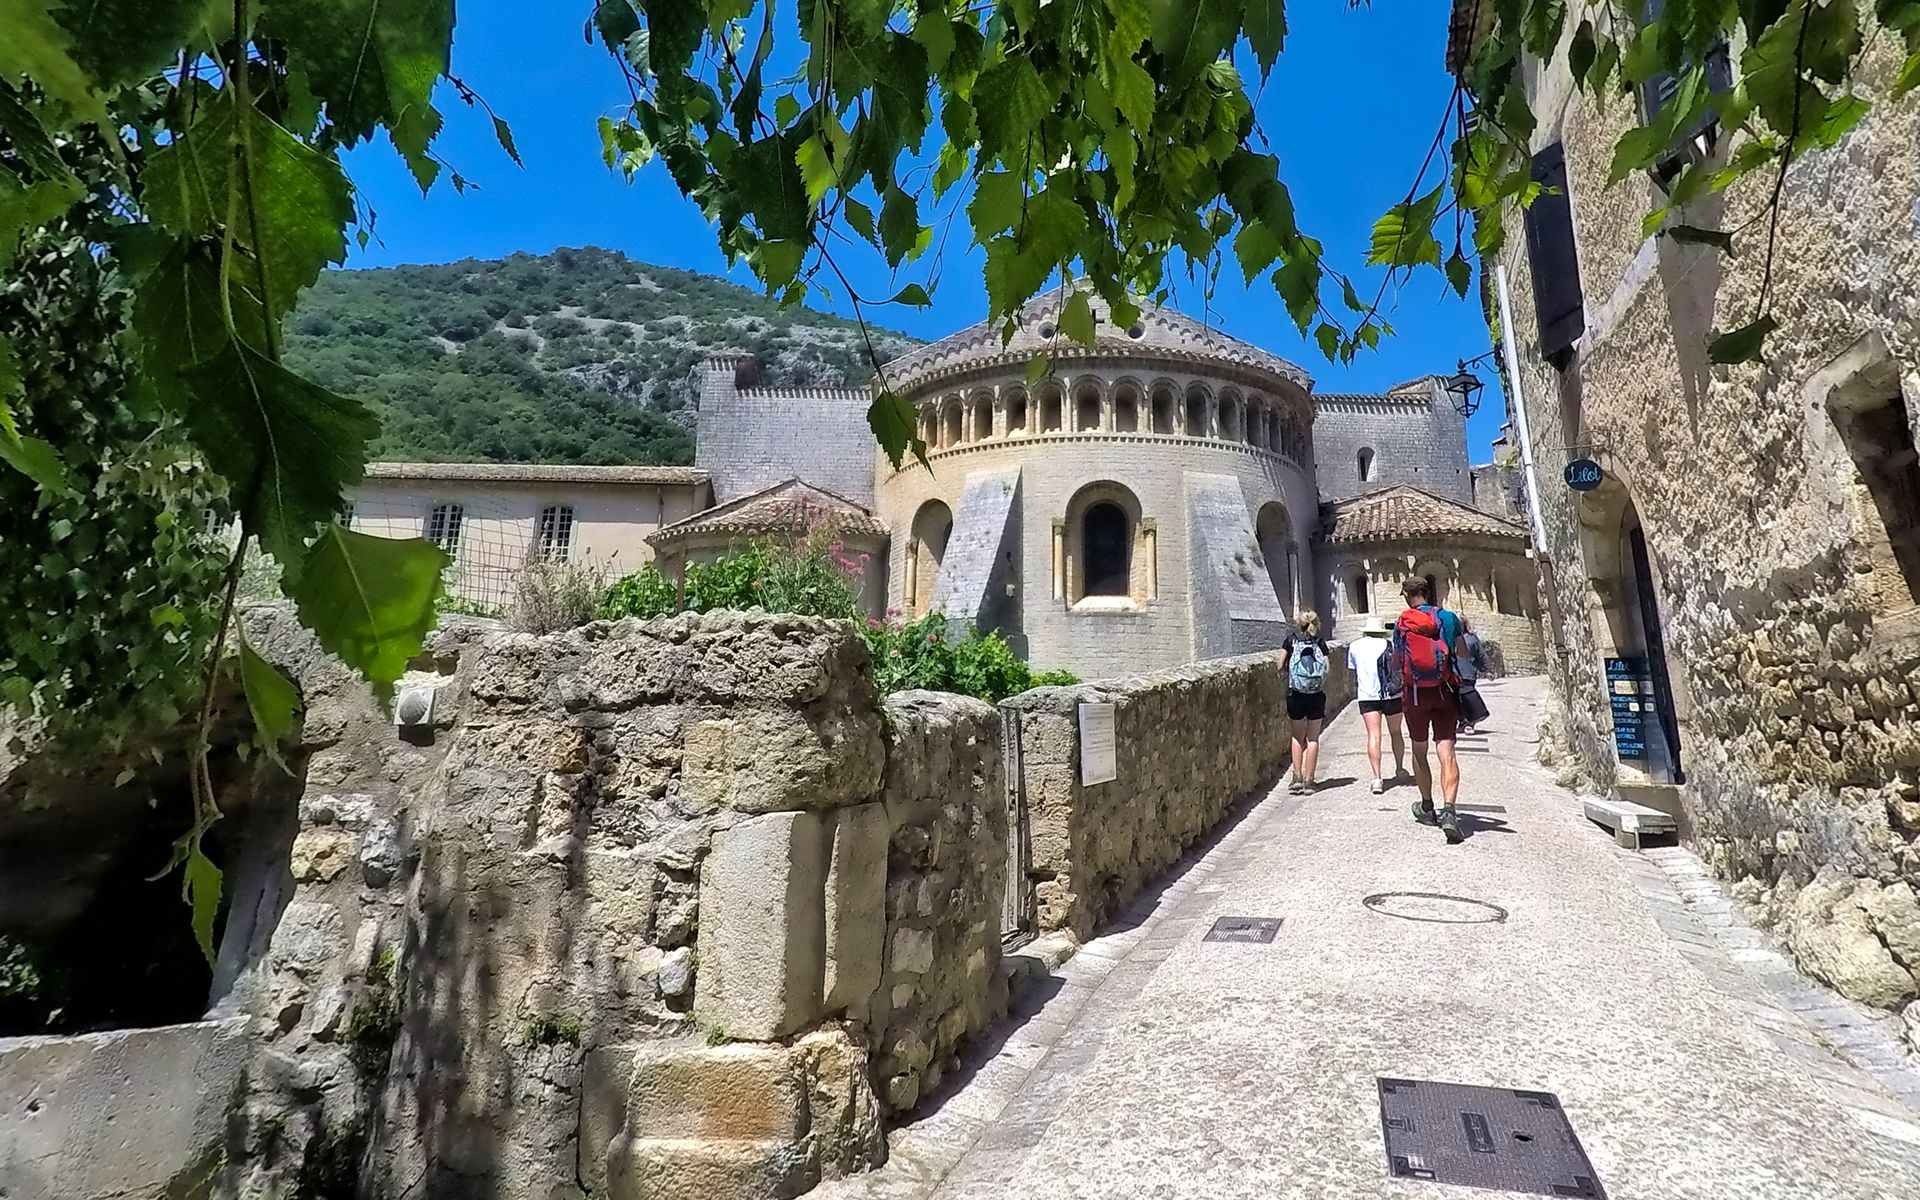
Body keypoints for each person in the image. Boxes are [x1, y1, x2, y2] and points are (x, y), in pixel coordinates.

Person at [1393, 578, 1466, 843]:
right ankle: (1449, 812)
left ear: (1407, 596)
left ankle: (1426, 806)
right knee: (1446, 751)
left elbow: (1396, 660)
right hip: (1444, 690)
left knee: (1419, 749)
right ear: (1427, 593)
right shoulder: (1448, 617)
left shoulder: (1403, 622)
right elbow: (1462, 651)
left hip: (1414, 695)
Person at [1348, 614, 1406, 793]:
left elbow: (1353, 670)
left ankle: (1377, 778)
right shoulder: (1391, 645)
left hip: (1367, 696)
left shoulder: (1355, 646)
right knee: (1396, 732)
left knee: (1374, 735)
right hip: (1392, 695)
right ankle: (1399, 768)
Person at [1281, 610, 1328, 794]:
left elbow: (1279, 664)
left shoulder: (1291, 641)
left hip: (1296, 694)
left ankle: (1297, 777)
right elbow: (1327, 668)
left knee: (1297, 737)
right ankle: (1310, 780)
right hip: (1316, 695)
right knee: (1313, 738)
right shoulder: (1320, 642)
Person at [1455, 616, 1494, 735]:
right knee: (1457, 700)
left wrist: (1488, 670)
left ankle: (1472, 720)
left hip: (1467, 674)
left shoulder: (1471, 639)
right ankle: (1463, 722)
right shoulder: (1451, 638)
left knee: (1467, 697)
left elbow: (1481, 655)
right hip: (1454, 673)